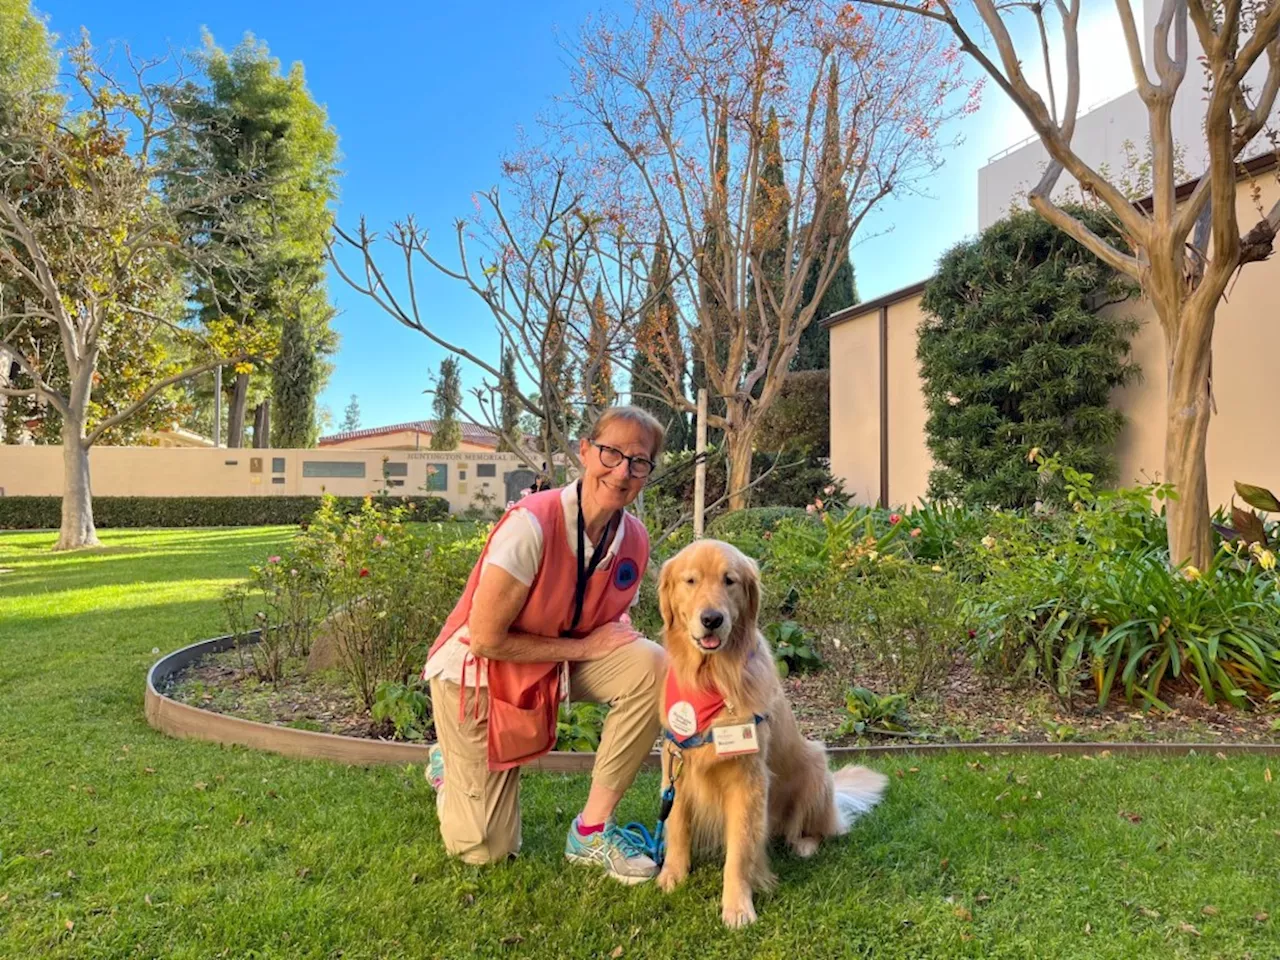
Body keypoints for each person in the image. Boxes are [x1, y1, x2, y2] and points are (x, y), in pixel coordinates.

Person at [422, 406, 667, 882]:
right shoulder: (531, 523)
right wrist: (584, 651)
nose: (622, 472)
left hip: (553, 658)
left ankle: (592, 832)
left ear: (647, 472)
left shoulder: (634, 539)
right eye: (611, 453)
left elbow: (608, 613)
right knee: (484, 849)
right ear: (584, 451)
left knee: (652, 664)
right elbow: (489, 639)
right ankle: (448, 767)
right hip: (478, 673)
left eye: (638, 462)